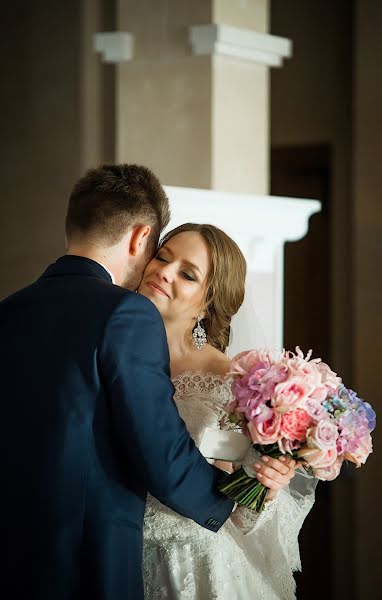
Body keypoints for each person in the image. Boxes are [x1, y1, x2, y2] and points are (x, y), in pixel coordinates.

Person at [0, 165, 237, 600]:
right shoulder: (126, 313)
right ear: (139, 238)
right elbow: (159, 447)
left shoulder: (7, 312)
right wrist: (231, 502)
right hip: (91, 560)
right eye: (161, 254)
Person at [139, 223, 317, 600]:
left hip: (191, 565)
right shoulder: (113, 352)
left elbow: (241, 512)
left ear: (207, 303)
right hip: (115, 556)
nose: (164, 272)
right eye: (162, 256)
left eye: (187, 274)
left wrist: (267, 484)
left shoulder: (229, 381)